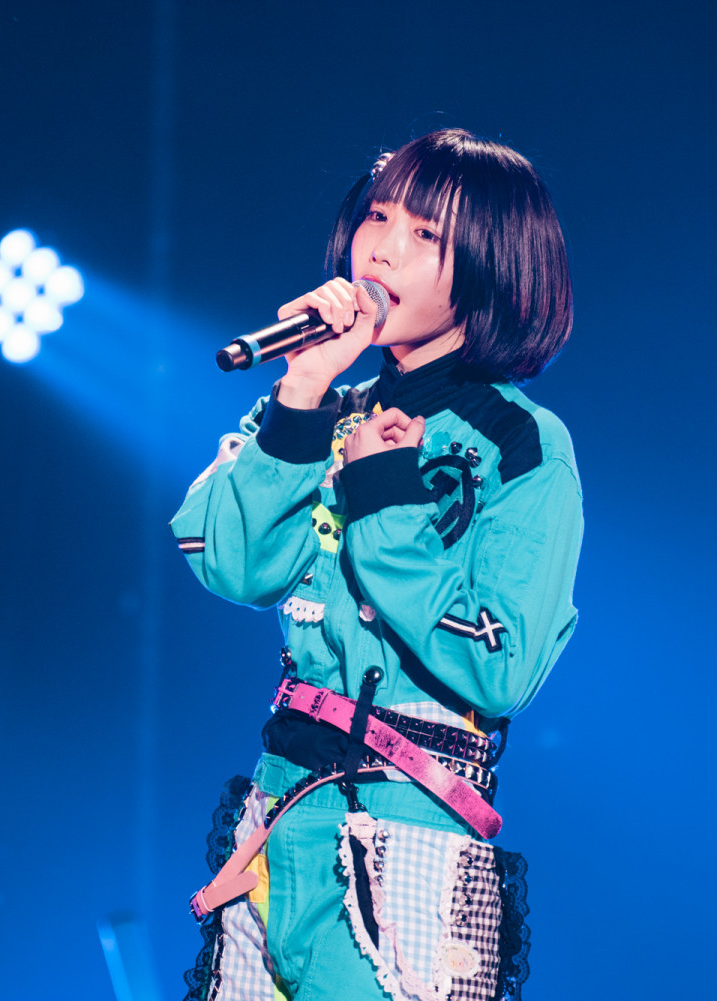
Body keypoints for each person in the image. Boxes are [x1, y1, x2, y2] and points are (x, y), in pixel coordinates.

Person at [172, 128, 582, 1001]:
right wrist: (301, 390)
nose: (382, 249)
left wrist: (387, 501)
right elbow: (229, 562)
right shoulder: (319, 409)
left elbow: (504, 665)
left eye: (426, 233)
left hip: (405, 829)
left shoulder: (521, 443)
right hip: (277, 814)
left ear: (496, 265)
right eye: (378, 216)